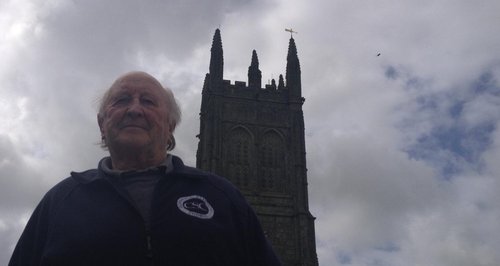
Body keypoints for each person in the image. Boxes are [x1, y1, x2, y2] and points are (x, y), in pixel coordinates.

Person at [9, 71, 282, 266]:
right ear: (102, 124)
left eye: (149, 102)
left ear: (171, 126)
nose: (135, 110)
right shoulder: (61, 201)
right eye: (122, 100)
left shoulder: (221, 196)